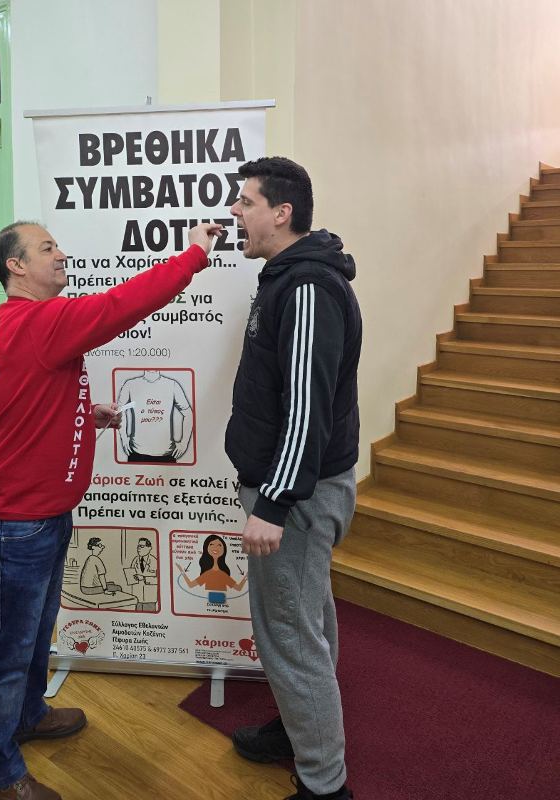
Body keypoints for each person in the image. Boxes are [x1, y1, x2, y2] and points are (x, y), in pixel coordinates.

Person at [0, 219, 221, 800]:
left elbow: (8, 401)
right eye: (47, 248)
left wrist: (81, 414)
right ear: (16, 267)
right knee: (4, 652)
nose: (61, 254)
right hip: (14, 524)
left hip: (34, 517)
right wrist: (192, 256)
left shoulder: (13, 325)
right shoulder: (41, 321)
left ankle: (27, 716)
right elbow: (120, 305)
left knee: (33, 634)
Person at [224, 157, 361, 800]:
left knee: (290, 633)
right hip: (296, 488)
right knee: (307, 619)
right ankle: (299, 730)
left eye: (246, 202)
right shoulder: (286, 277)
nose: (235, 212)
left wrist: (274, 503)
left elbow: (308, 407)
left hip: (296, 496)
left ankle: (324, 785)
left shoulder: (306, 287)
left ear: (282, 213)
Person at [177, 534, 247, 595]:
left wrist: (247, 576)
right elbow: (191, 584)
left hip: (224, 600)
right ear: (206, 548)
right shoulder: (207, 574)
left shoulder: (223, 574)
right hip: (207, 601)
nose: (215, 547)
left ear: (224, 549)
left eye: (219, 545)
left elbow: (238, 588)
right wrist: (182, 571)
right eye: (211, 544)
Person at [129, 537, 158, 611]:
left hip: (149, 598)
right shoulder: (135, 560)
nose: (138, 548)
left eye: (142, 546)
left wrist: (144, 578)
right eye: (138, 546)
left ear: (149, 548)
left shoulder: (154, 561)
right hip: (137, 596)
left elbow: (160, 580)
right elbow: (131, 577)